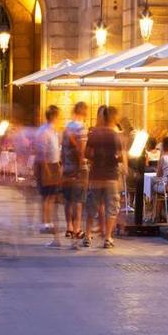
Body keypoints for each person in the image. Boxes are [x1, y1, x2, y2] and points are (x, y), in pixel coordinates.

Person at [85, 106, 125, 249]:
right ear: (113, 118)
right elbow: (120, 156)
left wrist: (96, 158)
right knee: (112, 208)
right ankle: (108, 238)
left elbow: (86, 153)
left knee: (91, 206)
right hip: (111, 176)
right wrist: (116, 159)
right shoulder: (115, 135)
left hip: (95, 175)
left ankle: (87, 235)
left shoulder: (94, 133)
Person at [60, 102, 89, 248]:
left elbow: (61, 149)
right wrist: (80, 168)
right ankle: (77, 228)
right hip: (78, 169)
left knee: (67, 199)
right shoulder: (82, 128)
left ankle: (69, 227)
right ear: (84, 112)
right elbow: (81, 151)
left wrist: (63, 164)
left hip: (66, 168)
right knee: (78, 200)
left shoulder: (66, 127)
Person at [36, 105, 63, 248]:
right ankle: (46, 222)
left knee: (52, 196)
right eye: (58, 116)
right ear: (53, 116)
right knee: (47, 196)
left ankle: (49, 222)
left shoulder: (53, 131)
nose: (59, 119)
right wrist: (46, 169)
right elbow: (42, 151)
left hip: (54, 165)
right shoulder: (44, 131)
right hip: (47, 166)